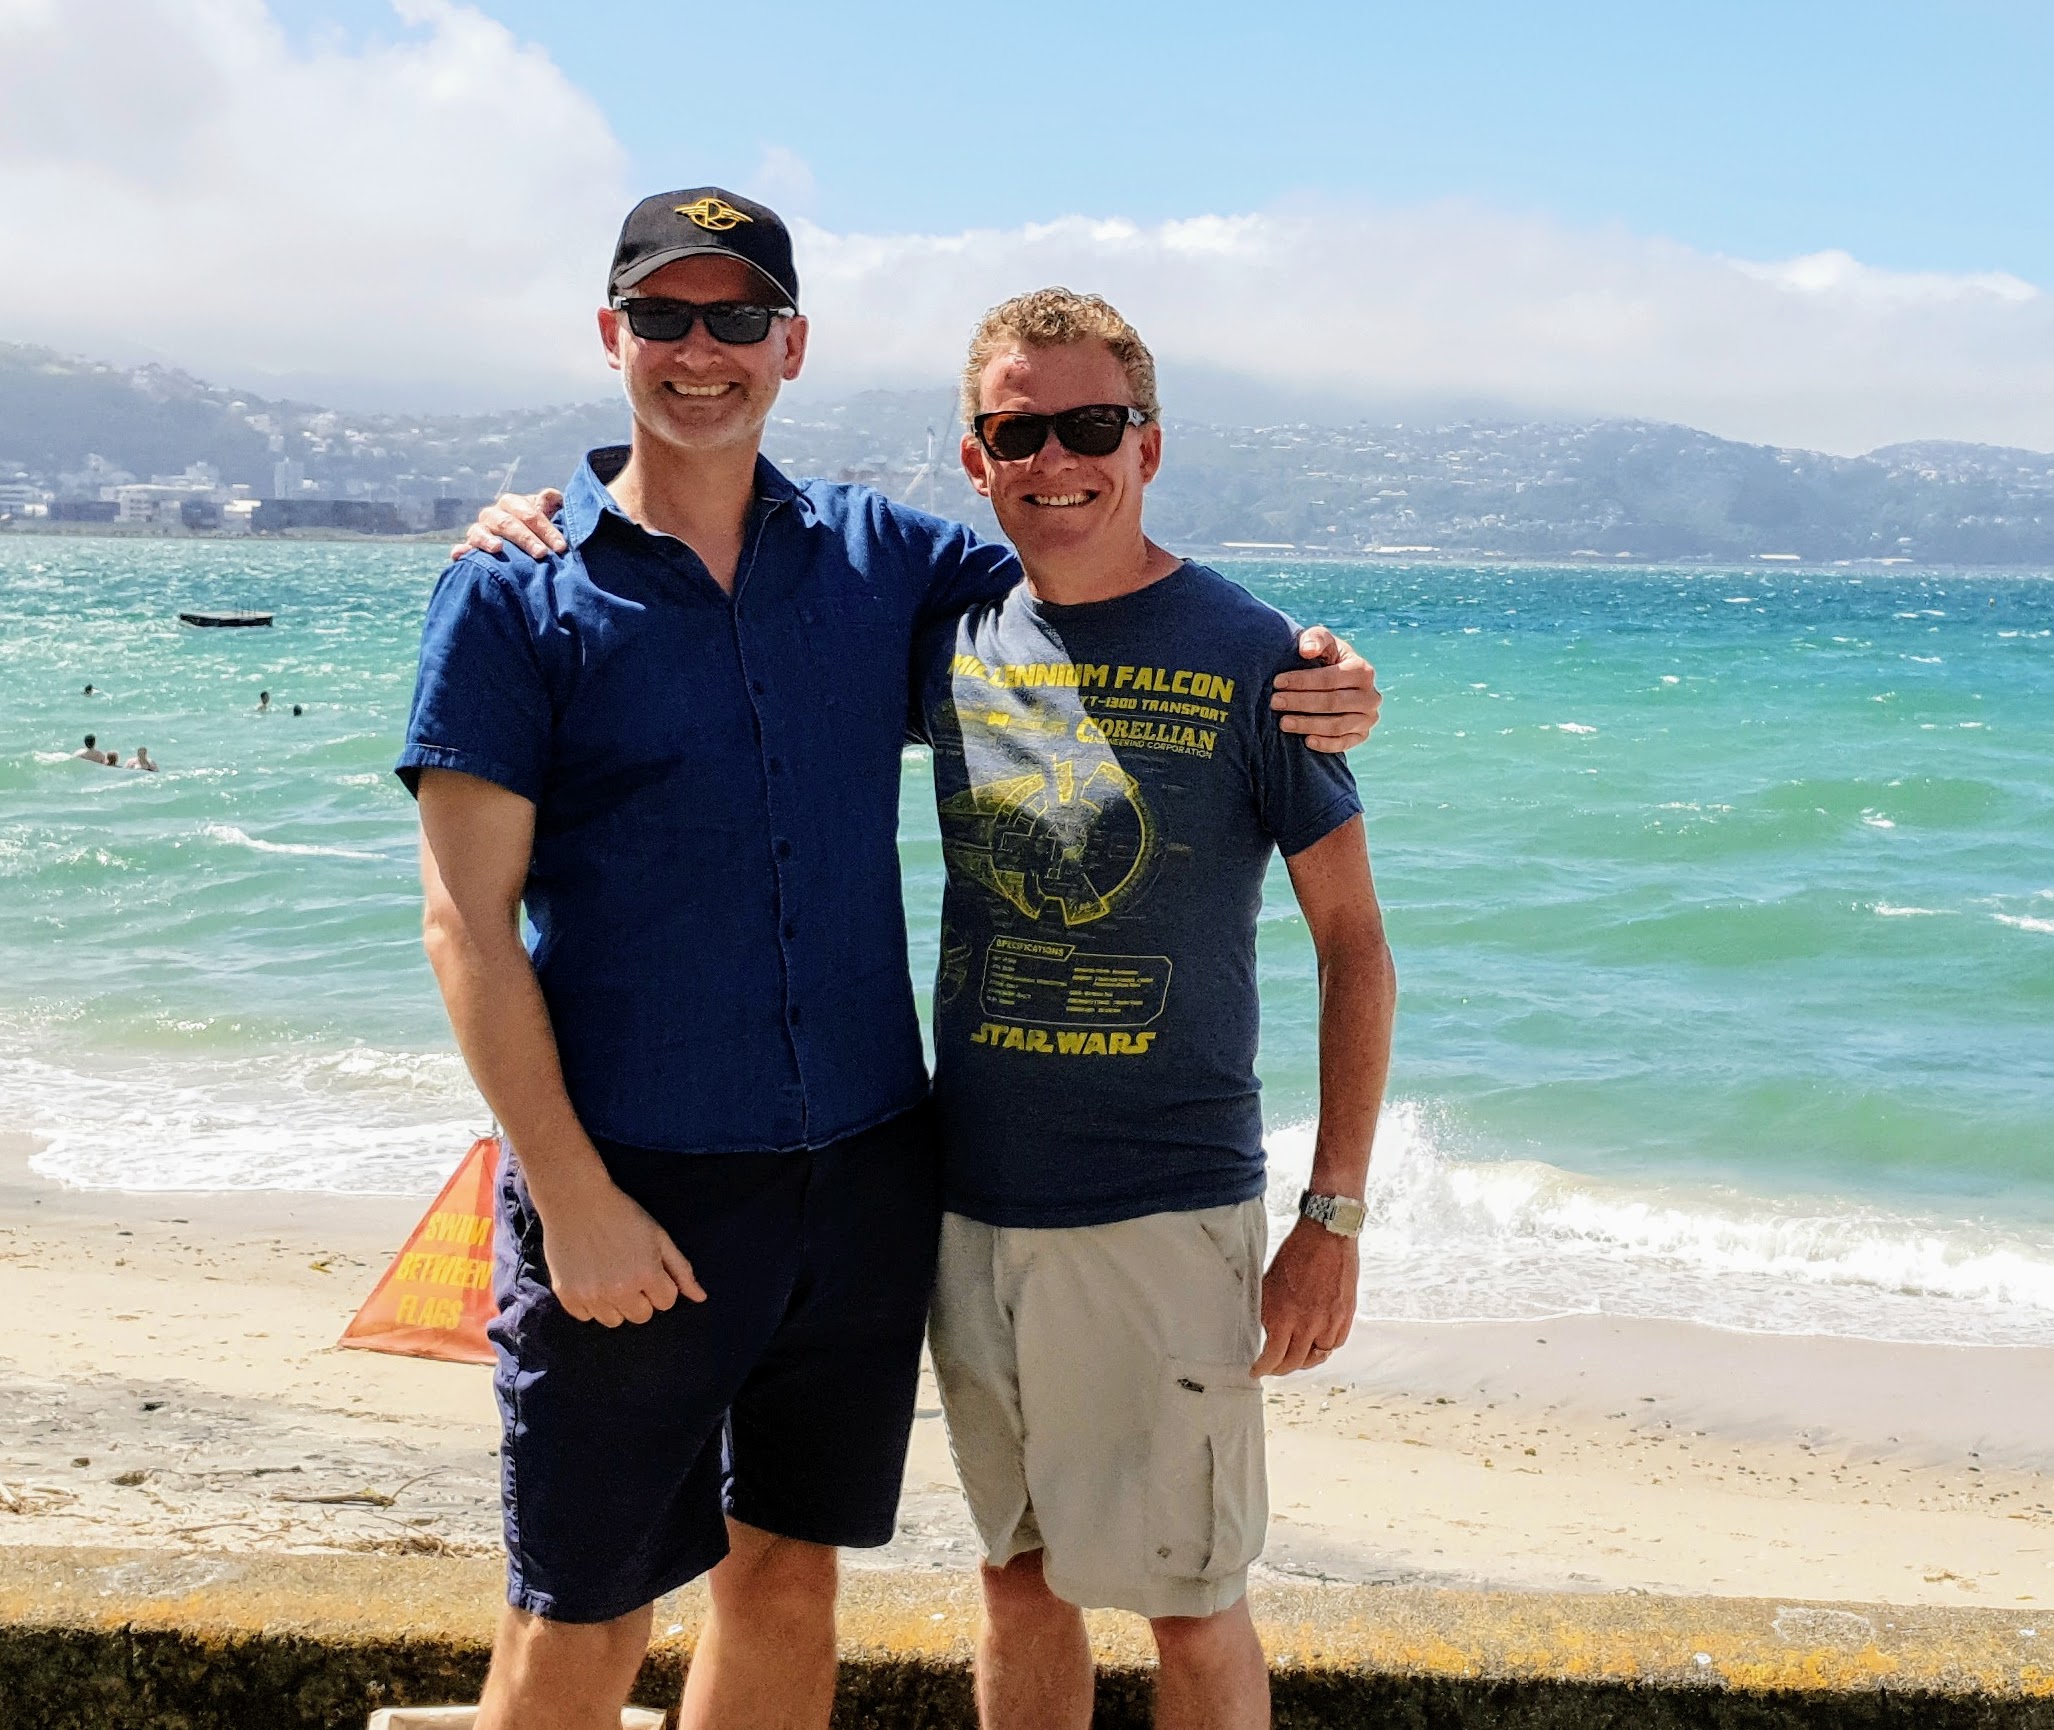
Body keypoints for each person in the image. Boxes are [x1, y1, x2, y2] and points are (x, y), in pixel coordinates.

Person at [411, 187, 1381, 1730]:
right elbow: (464, 920)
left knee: (789, 1571)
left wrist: (1319, 669)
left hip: (865, 1178)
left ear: (792, 345)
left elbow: (1105, 589)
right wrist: (575, 1195)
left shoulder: (883, 567)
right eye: (664, 316)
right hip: (632, 1179)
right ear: (613, 337)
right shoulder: (519, 585)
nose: (701, 350)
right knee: (580, 1608)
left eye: (739, 318)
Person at [915, 289, 1395, 1730]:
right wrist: (546, 512)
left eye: (1090, 424)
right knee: (1017, 1575)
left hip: (1159, 1207)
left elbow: (1355, 946)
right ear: (975, 454)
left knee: (1188, 1601)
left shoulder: (1256, 652)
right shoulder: (948, 630)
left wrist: (1332, 1219)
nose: (1055, 458)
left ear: (1149, 442)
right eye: (1019, 429)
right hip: (967, 1197)